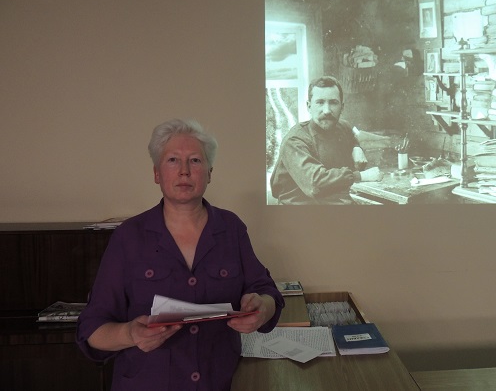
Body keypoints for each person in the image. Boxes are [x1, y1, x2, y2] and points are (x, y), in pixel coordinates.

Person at [77, 118, 284, 391]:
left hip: (219, 383)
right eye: (173, 160)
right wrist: (129, 333)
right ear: (157, 174)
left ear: (209, 173)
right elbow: (91, 329)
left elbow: (267, 292)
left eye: (195, 161)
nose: (184, 171)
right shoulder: (128, 236)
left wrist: (262, 309)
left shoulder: (231, 227)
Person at [270, 75, 383, 204]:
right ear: (309, 106)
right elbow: (315, 184)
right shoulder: (295, 141)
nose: (327, 111)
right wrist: (360, 176)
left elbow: (351, 136)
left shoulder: (342, 127)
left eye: (333, 102)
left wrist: (356, 147)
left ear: (342, 107)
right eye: (320, 102)